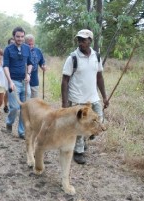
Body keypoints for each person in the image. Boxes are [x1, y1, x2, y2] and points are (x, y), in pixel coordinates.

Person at [61, 29, 109, 164]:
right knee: (80, 125)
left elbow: (99, 77)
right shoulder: (73, 58)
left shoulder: (96, 56)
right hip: (77, 98)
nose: (81, 42)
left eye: (84, 39)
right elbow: (65, 80)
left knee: (99, 121)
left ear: (90, 41)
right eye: (79, 39)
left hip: (93, 97)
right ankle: (79, 151)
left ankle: (87, 137)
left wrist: (104, 97)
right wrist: (65, 104)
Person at [2, 27, 33, 139]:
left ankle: (21, 131)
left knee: (24, 108)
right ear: (14, 37)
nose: (20, 39)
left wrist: (28, 74)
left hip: (25, 82)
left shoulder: (27, 48)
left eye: (22, 36)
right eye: (18, 36)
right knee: (15, 107)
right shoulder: (8, 49)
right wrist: (10, 82)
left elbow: (30, 63)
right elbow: (5, 66)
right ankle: (9, 122)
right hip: (13, 82)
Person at [24, 34, 46, 98]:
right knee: (26, 101)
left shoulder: (38, 51)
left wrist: (43, 67)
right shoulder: (22, 51)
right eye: (29, 44)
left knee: (34, 101)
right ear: (25, 43)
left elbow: (42, 63)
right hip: (24, 80)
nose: (31, 46)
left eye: (32, 44)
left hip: (34, 80)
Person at [3, 37, 15, 113]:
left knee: (13, 91)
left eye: (13, 42)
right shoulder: (7, 51)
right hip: (7, 74)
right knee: (8, 91)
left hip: (15, 74)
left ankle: (13, 106)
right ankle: (5, 105)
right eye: (11, 43)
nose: (13, 44)